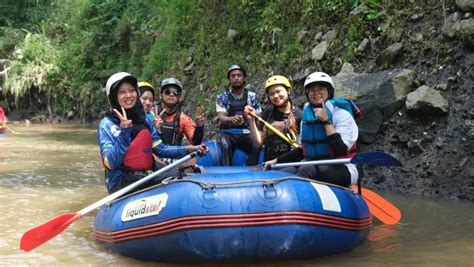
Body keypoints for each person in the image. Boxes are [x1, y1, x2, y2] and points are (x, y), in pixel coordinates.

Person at [98, 72, 208, 193]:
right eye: (122, 92)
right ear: (113, 97)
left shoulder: (144, 119)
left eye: (131, 90)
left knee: (183, 176)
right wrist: (124, 132)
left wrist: (190, 149)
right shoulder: (107, 124)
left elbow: (161, 149)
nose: (128, 95)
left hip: (147, 175)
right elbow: (110, 163)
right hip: (121, 181)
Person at [264, 72, 359, 187]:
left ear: (329, 91)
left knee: (307, 169)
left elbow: (340, 150)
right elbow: (301, 150)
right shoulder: (307, 116)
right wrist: (276, 161)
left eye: (321, 88)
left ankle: (300, 202)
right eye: (312, 90)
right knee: (281, 173)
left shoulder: (341, 114)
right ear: (307, 93)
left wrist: (326, 121)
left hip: (343, 167)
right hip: (312, 163)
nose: (316, 92)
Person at [244, 75, 302, 161]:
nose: (275, 96)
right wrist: (251, 120)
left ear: (288, 91)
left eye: (278, 91)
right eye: (271, 94)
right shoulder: (268, 114)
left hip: (291, 163)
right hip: (270, 163)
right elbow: (258, 143)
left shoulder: (300, 115)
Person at [216, 64, 262, 166]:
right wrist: (232, 119)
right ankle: (225, 173)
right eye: (233, 76)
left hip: (246, 132)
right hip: (227, 132)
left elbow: (259, 117)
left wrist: (251, 119)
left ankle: (250, 169)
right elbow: (222, 117)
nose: (236, 78)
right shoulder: (222, 97)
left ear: (244, 77)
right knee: (226, 147)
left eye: (239, 75)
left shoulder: (253, 96)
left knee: (257, 145)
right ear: (229, 79)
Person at [153, 77, 205, 146]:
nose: (171, 94)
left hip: (174, 155)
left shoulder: (183, 119)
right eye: (167, 91)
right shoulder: (151, 113)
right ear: (160, 95)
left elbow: (196, 142)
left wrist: (199, 128)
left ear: (179, 97)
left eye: (176, 92)